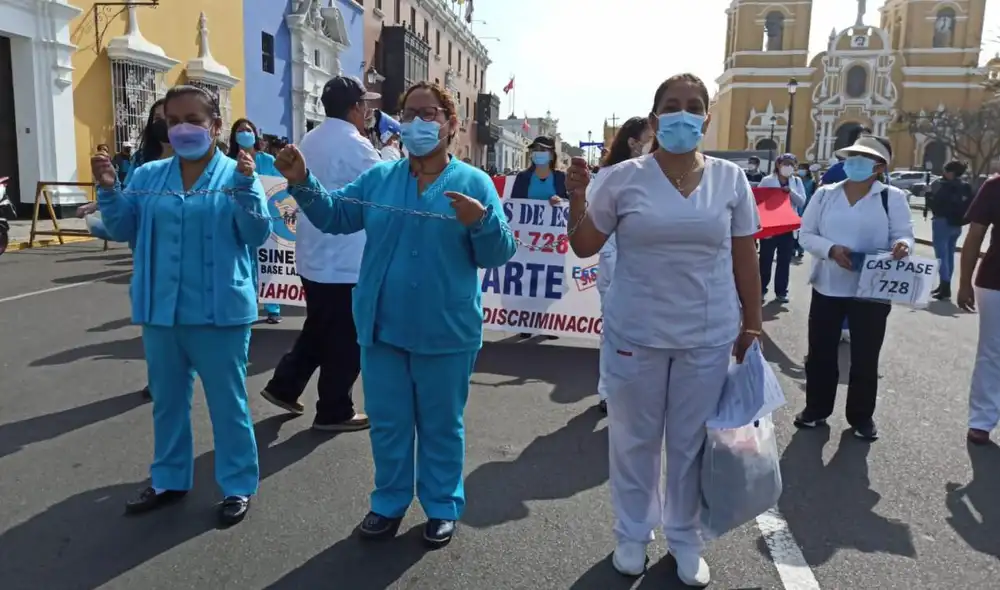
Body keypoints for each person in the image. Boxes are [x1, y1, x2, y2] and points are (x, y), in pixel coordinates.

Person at [274, 80, 517, 548]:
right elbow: (335, 217)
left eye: (429, 114)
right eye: (409, 114)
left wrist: (482, 222)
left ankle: (442, 505)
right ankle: (388, 502)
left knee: (441, 425)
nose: (417, 123)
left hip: (446, 330)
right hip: (382, 327)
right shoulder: (381, 178)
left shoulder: (474, 182)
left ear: (451, 124)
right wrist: (302, 181)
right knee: (388, 422)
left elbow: (498, 252)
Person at [564, 73, 764, 587]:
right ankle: (632, 536)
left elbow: (745, 252)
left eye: (694, 106)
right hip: (636, 333)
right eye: (671, 106)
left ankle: (684, 537)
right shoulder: (624, 178)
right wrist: (578, 196)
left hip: (708, 334)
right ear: (655, 119)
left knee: (691, 442)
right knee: (634, 439)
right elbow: (586, 245)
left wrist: (753, 321)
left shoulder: (729, 180)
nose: (683, 114)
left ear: (706, 118)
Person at [94, 84, 270, 525]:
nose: (183, 129)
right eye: (173, 122)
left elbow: (256, 234)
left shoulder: (237, 174)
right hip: (161, 309)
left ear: (214, 126)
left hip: (219, 312)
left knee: (228, 403)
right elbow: (121, 228)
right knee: (168, 400)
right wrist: (109, 190)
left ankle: (237, 484)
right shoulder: (148, 176)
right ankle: (170, 477)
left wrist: (248, 188)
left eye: (193, 120)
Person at [260, 76, 381, 433]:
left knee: (319, 326)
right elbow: (383, 186)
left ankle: (284, 385)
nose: (369, 112)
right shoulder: (358, 147)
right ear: (356, 108)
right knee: (347, 338)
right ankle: (334, 407)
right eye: (366, 105)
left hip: (313, 254)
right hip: (347, 259)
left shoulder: (309, 139)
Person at [795, 135, 913, 441]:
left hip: (871, 290)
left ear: (879, 166)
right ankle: (816, 409)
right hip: (828, 286)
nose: (855, 162)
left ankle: (861, 417)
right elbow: (805, 234)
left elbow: (903, 234)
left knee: (865, 355)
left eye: (864, 158)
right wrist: (831, 249)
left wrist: (902, 245)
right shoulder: (824, 195)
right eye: (852, 156)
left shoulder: (893, 197)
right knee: (821, 353)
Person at [77, 98, 173, 401]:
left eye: (171, 117)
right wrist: (105, 193)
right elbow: (125, 209)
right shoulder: (144, 167)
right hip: (149, 256)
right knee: (157, 323)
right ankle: (160, 377)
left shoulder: (211, 166)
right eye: (159, 118)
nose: (166, 124)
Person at [592, 115, 652, 414]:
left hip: (651, 270)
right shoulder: (609, 175)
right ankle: (608, 391)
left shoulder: (656, 174)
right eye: (650, 138)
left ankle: (638, 390)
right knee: (615, 331)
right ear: (633, 142)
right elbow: (595, 223)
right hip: (616, 263)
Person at [958, 176, 1000, 445]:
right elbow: (975, 234)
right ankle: (981, 421)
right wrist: (964, 282)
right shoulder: (996, 186)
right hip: (996, 282)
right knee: (992, 353)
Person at [228, 118, 283, 324]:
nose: (244, 133)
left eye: (248, 129)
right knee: (245, 264)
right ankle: (247, 305)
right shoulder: (229, 162)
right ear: (234, 136)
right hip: (240, 219)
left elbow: (280, 186)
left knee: (268, 263)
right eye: (240, 130)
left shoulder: (268, 161)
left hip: (268, 218)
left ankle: (273, 307)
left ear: (255, 134)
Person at [757, 153, 806, 304]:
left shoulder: (796, 182)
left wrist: (789, 192)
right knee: (765, 259)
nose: (788, 166)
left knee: (784, 261)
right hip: (770, 227)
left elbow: (802, 202)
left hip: (787, 227)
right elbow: (759, 201)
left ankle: (781, 292)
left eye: (791, 164)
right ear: (778, 165)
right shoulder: (767, 180)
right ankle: (761, 290)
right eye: (785, 163)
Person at [925, 160, 974, 300]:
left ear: (951, 173)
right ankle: (944, 284)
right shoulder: (965, 186)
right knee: (949, 255)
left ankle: (945, 288)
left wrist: (928, 195)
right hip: (957, 224)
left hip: (941, 222)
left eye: (946, 170)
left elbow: (935, 205)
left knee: (941, 255)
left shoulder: (943, 186)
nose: (943, 173)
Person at [510, 136, 567, 205]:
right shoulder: (522, 177)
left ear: (551, 155)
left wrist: (560, 201)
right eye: (535, 150)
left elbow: (569, 203)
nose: (538, 153)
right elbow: (514, 203)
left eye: (542, 150)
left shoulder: (561, 177)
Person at [794, 163, 819, 258]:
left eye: (803, 169)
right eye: (799, 168)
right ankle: (792, 248)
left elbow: (816, 189)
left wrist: (816, 173)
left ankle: (800, 249)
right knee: (794, 229)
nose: (801, 170)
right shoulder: (795, 180)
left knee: (802, 229)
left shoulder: (811, 181)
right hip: (796, 206)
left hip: (806, 207)